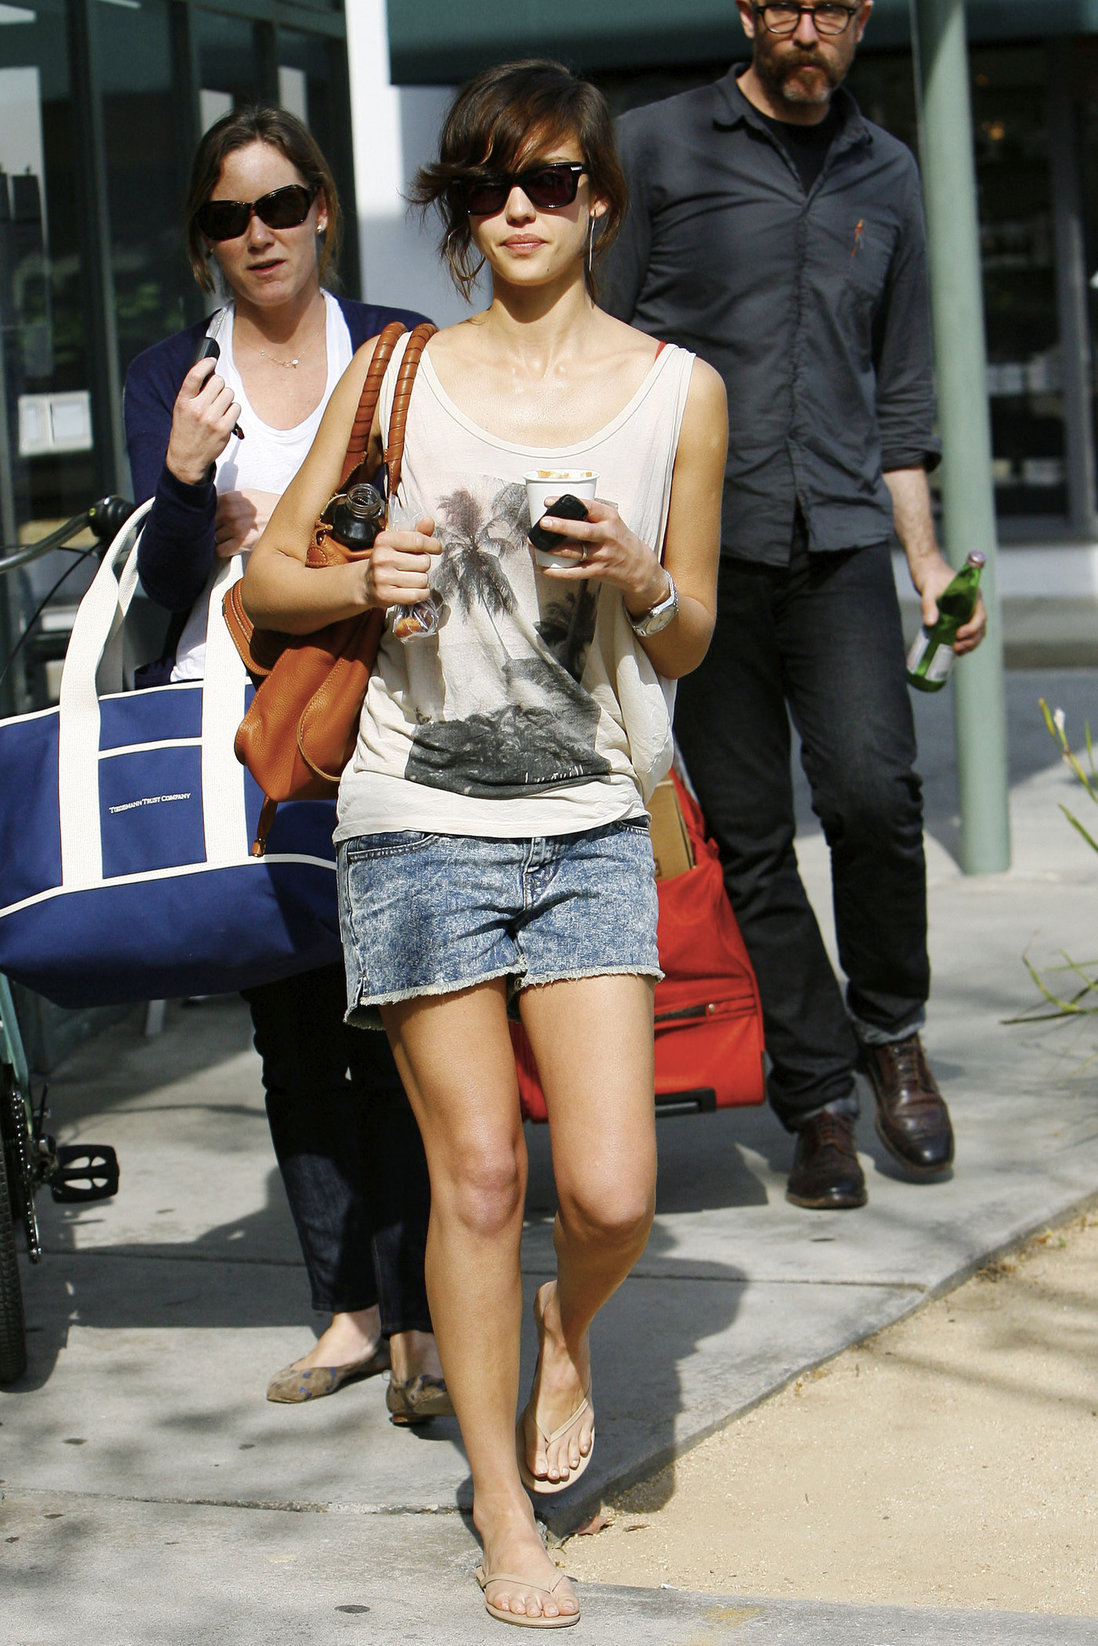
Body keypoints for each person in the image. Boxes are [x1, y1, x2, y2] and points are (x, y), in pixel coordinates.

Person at [242, 59, 725, 1630]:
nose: (524, 208)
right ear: (460, 207)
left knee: (606, 1191)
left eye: (557, 181)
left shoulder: (677, 391)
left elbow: (692, 638)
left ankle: (565, 1332)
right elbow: (268, 584)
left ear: (601, 198)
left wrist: (643, 571)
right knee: (477, 1173)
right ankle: (504, 1510)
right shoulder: (396, 372)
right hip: (415, 815)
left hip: (587, 811)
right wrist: (362, 575)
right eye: (491, 184)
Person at [603, 1, 988, 1211]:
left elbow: (904, 386)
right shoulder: (656, 145)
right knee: (754, 839)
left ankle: (893, 1033)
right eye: (790, 5)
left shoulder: (889, 168)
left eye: (835, 6)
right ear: (751, 13)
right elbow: (606, 349)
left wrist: (926, 563)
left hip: (843, 543)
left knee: (878, 796)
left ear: (862, 18)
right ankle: (816, 1098)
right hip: (699, 561)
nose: (810, 28)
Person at [123, 106, 450, 1423]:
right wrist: (191, 487)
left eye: (276, 206)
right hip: (239, 726)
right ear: (206, 240)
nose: (255, 235)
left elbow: (434, 494)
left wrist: (319, 534)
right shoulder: (173, 376)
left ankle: (427, 1306)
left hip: (388, 709)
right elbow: (154, 585)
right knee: (293, 1020)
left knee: (411, 1016)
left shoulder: (391, 349)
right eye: (226, 217)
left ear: (319, 206)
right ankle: (348, 1308)